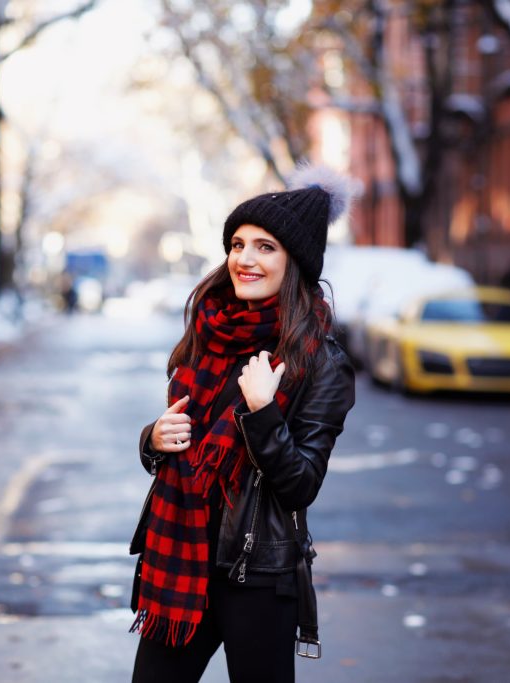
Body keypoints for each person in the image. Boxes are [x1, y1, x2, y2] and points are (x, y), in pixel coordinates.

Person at [129, 165, 359, 683]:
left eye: (265, 247)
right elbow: (182, 442)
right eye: (238, 243)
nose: (244, 259)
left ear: (294, 261)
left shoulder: (320, 361)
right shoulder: (208, 331)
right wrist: (154, 439)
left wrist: (264, 415)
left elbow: (300, 484)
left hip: (256, 574)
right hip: (181, 564)